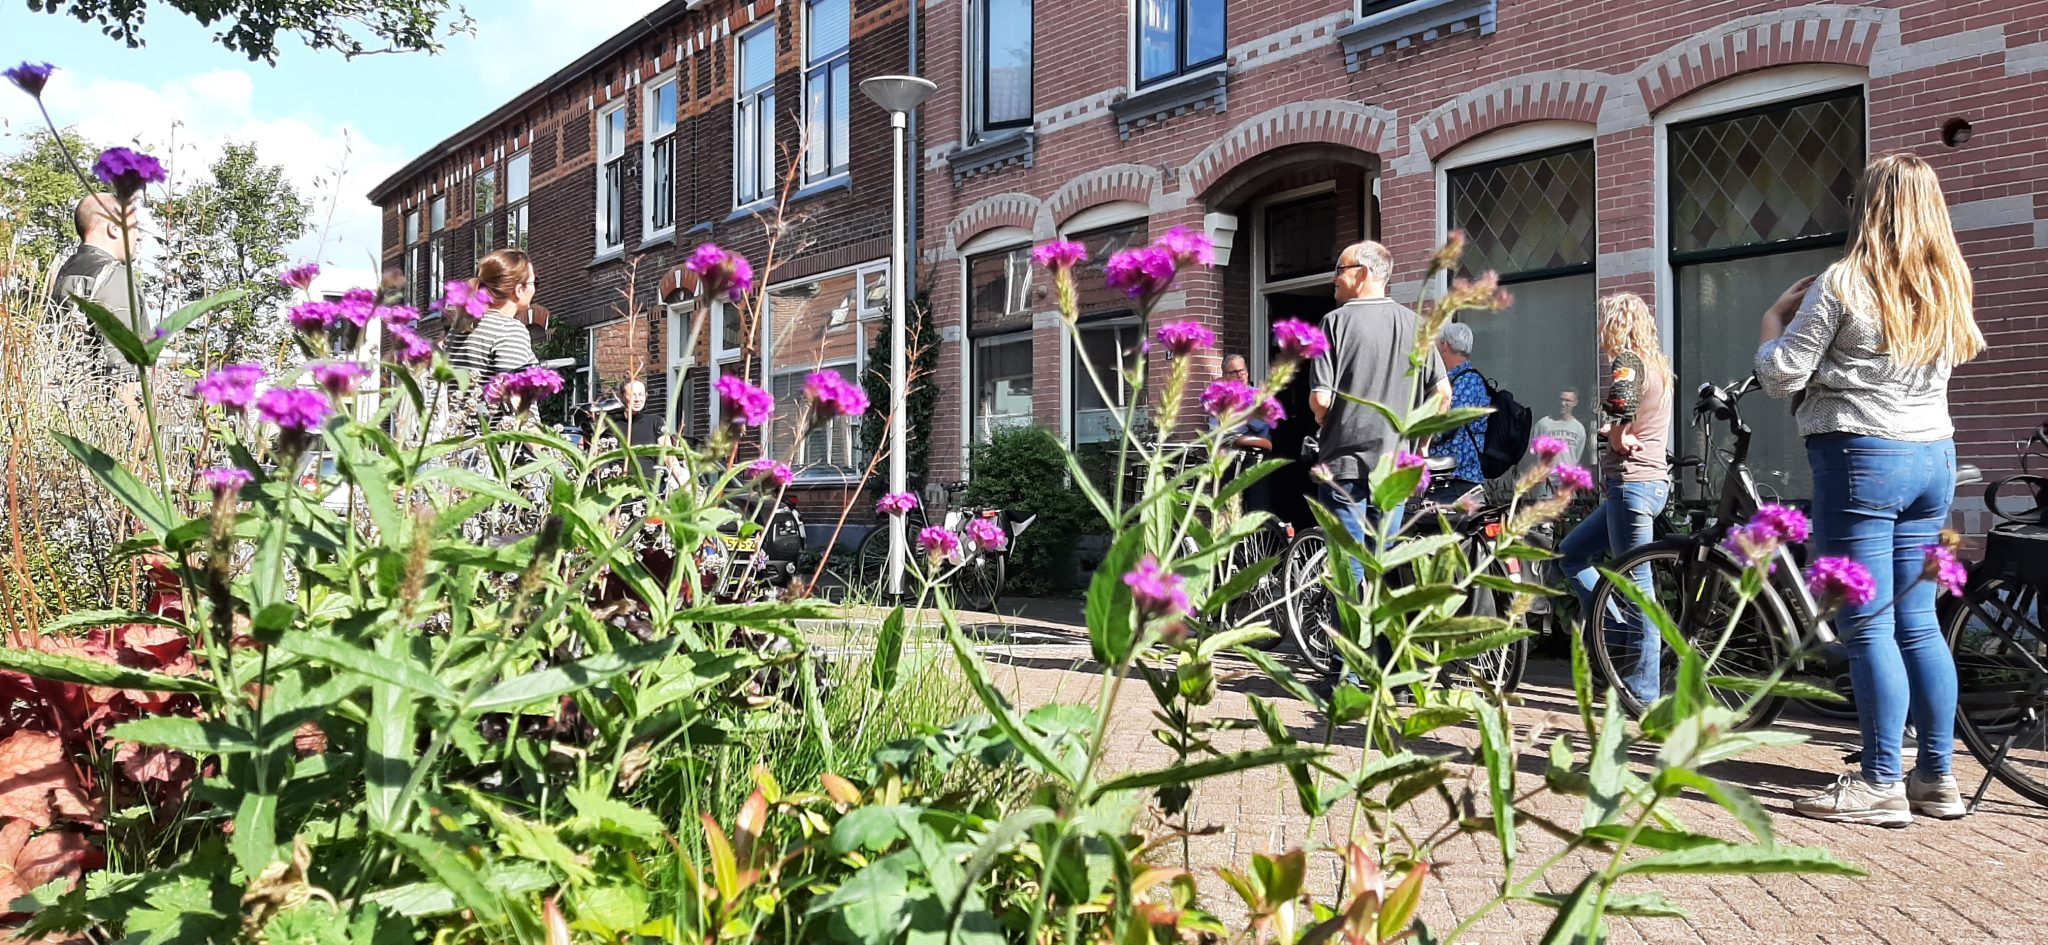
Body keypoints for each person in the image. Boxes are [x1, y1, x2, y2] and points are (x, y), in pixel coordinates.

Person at [1757, 153, 1984, 826]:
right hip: (1933, 458)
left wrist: (1772, 320)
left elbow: (1782, 375)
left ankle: (1882, 779)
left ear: (1870, 207)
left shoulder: (1845, 281)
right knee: (1919, 623)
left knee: (1868, 624)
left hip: (1862, 457)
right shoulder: (1948, 283)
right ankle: (1937, 777)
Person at [1557, 292, 1672, 705]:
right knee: (1570, 554)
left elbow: (1623, 421)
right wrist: (1621, 431)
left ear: (1616, 324)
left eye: (1604, 322)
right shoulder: (1660, 366)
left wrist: (1614, 435)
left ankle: (1643, 692)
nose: (1600, 332)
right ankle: (1616, 632)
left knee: (1640, 589)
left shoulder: (1628, 362)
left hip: (1632, 486)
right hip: (1652, 484)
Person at [1310, 240, 1451, 560]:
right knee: (1378, 568)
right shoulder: (1417, 326)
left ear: (1362, 274)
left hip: (1345, 468)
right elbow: (1442, 395)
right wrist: (1423, 444)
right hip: (1395, 468)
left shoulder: (1334, 323)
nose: (1333, 278)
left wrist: (1323, 417)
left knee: (1350, 573)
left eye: (1340, 270)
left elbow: (1321, 399)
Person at [47, 193, 151, 379]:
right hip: (102, 403)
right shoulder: (113, 276)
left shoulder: (64, 272)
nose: (139, 237)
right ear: (114, 228)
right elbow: (122, 369)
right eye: (135, 227)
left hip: (63, 398)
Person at [445, 249, 540, 381]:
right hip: (489, 402)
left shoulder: (459, 327)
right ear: (519, 290)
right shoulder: (510, 330)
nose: (534, 289)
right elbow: (512, 392)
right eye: (534, 282)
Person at [1427, 321, 1489, 494]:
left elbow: (1449, 423)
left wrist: (1422, 437)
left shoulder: (1467, 381)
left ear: (1445, 345)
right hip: (1447, 476)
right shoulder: (1456, 380)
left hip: (1459, 477)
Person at [1524, 388, 1592, 501]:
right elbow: (1532, 452)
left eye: (1567, 400)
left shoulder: (1578, 428)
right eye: (1561, 400)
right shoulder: (1543, 424)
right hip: (1545, 482)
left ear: (1575, 403)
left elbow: (1577, 455)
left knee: (1567, 516)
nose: (1563, 404)